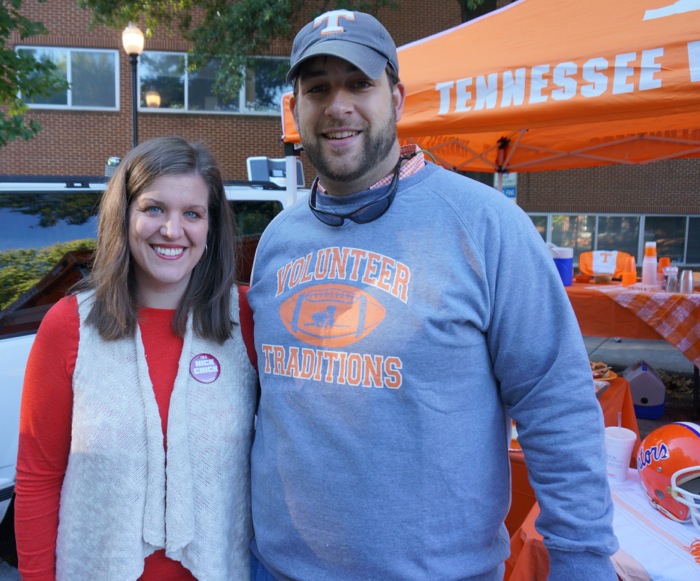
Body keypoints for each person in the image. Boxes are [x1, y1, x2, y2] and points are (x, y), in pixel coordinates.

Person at [247, 10, 619, 581]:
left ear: (396, 99)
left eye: (359, 84)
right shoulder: (278, 240)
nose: (338, 105)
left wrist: (581, 557)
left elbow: (555, 401)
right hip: (277, 568)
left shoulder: (487, 224)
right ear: (295, 109)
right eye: (317, 88)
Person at [15, 136, 258, 581]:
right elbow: (38, 479)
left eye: (192, 213)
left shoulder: (245, 318)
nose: (172, 230)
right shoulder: (68, 327)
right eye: (153, 209)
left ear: (211, 226)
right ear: (124, 215)